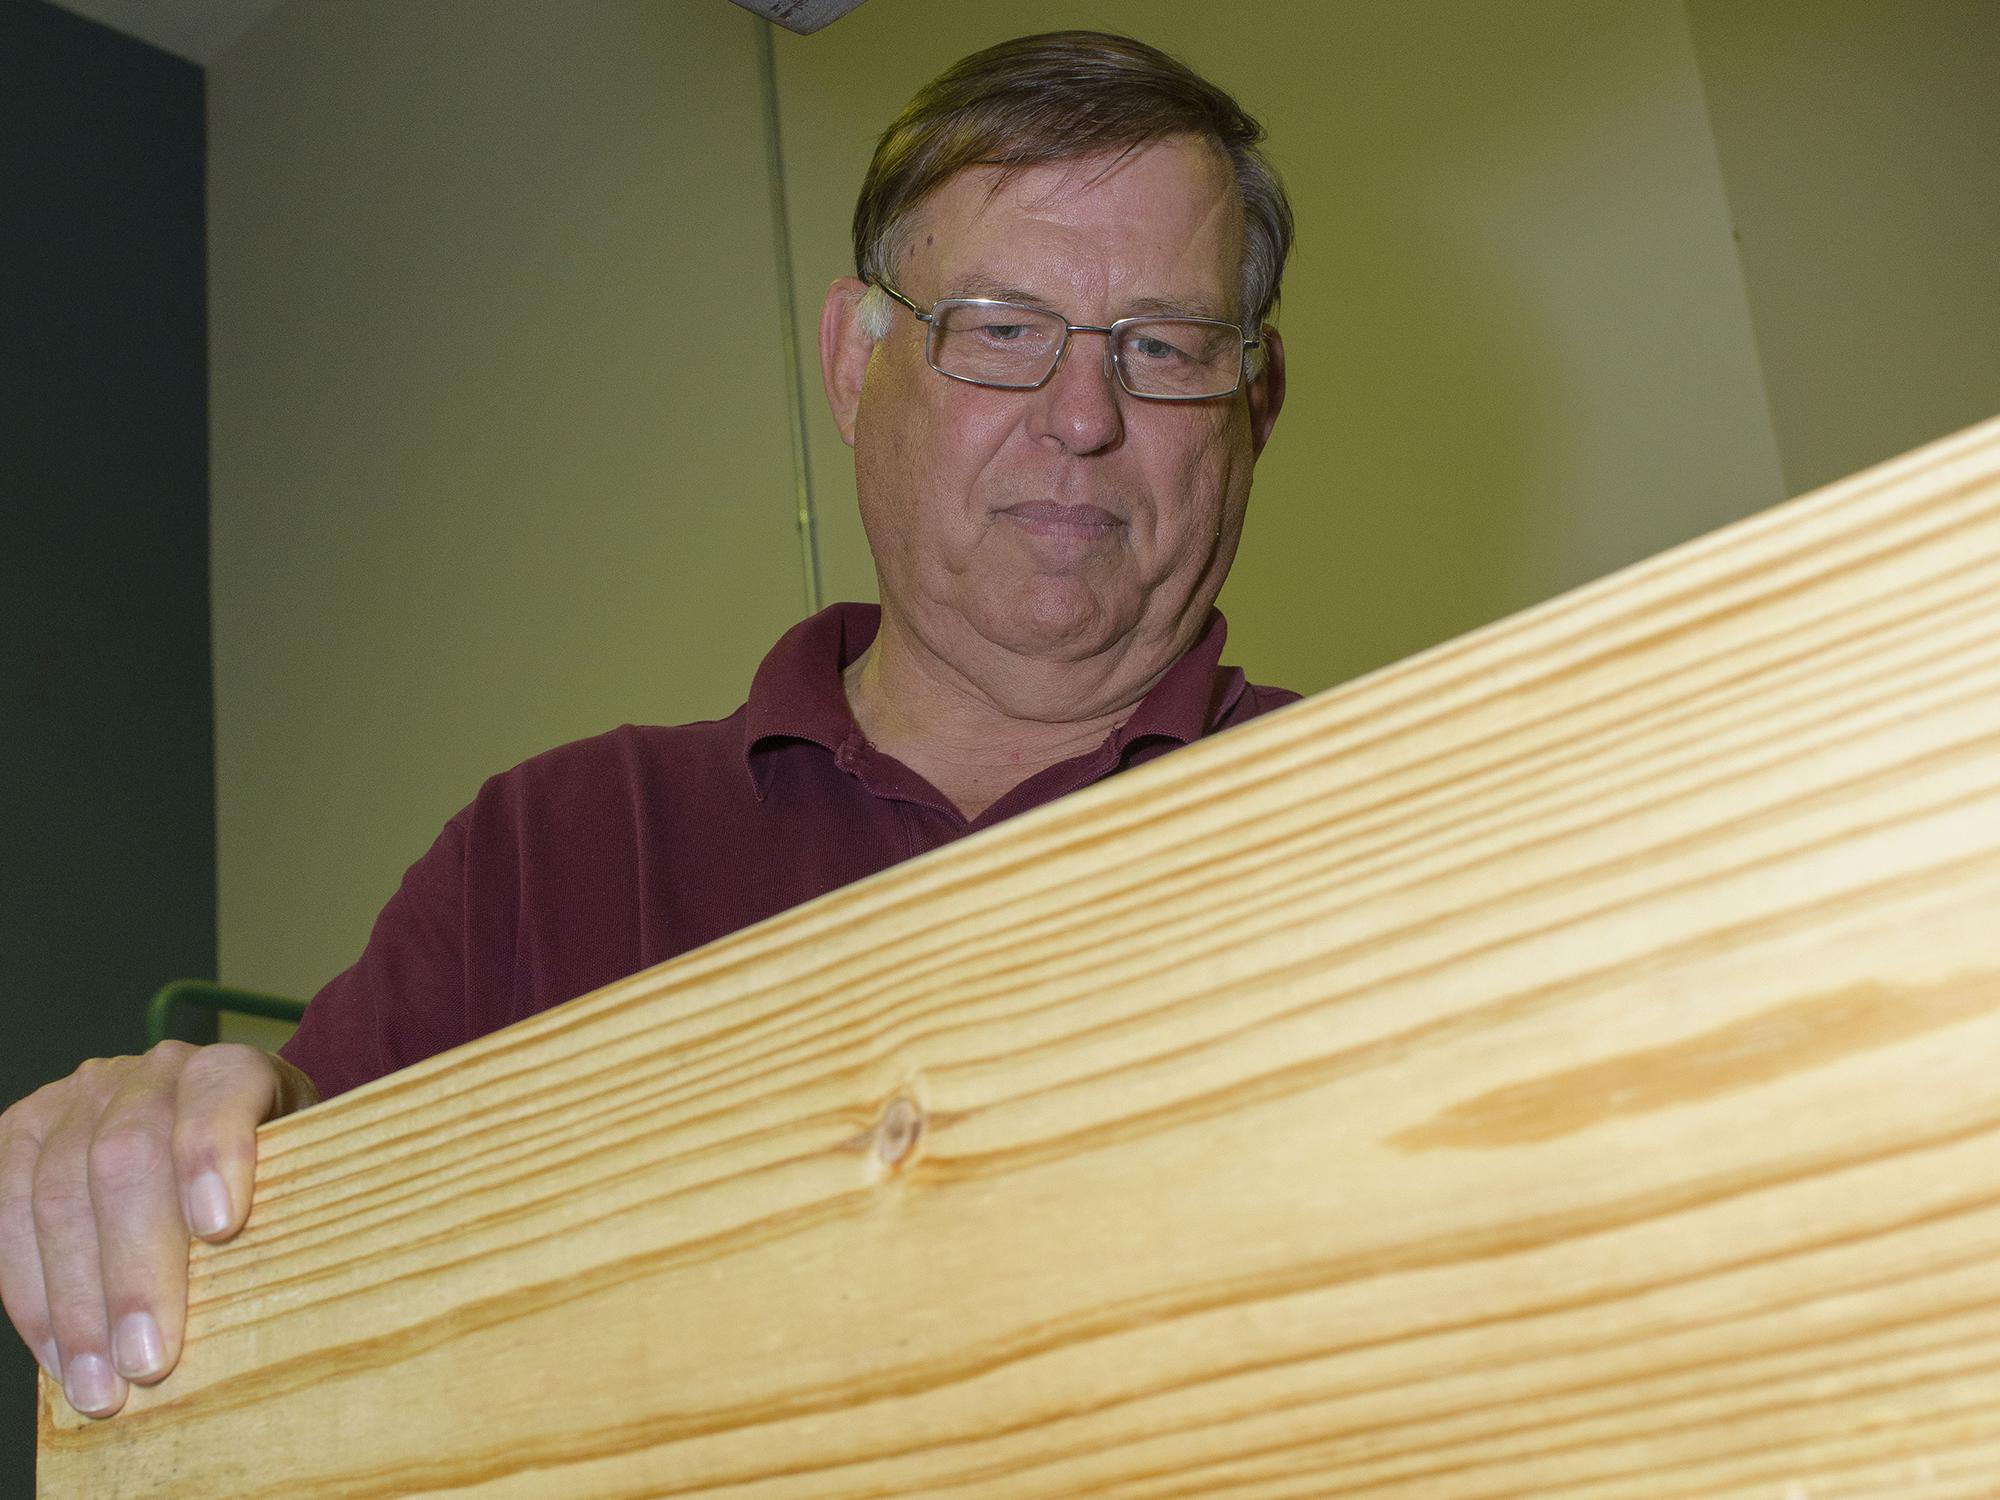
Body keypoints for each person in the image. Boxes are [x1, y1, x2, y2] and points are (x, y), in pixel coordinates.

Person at [0, 29, 1292, 1420]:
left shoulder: (1388, 824)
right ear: (855, 367)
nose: (1083, 416)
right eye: (1001, 331)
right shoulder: (547, 851)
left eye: (1165, 346)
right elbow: (282, 1266)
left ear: (1253, 404)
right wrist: (166, 1149)